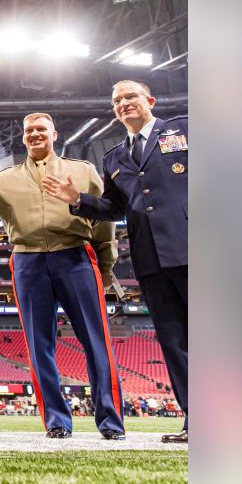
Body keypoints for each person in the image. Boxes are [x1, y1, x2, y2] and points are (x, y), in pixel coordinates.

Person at [42, 80, 188, 444]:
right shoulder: (113, 158)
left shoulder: (185, 128)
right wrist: (77, 199)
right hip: (150, 259)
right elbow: (113, 209)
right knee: (174, 342)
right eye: (117, 101)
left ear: (150, 100)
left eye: (130, 96)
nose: (123, 104)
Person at [0, 113, 126, 440]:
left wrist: (107, 265)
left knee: (96, 341)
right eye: (29, 131)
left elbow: (104, 220)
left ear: (54, 133)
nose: (35, 134)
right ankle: (56, 420)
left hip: (75, 255)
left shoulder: (82, 170)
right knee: (39, 346)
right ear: (23, 138)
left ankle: (110, 421)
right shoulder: (5, 177)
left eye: (41, 129)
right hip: (28, 259)